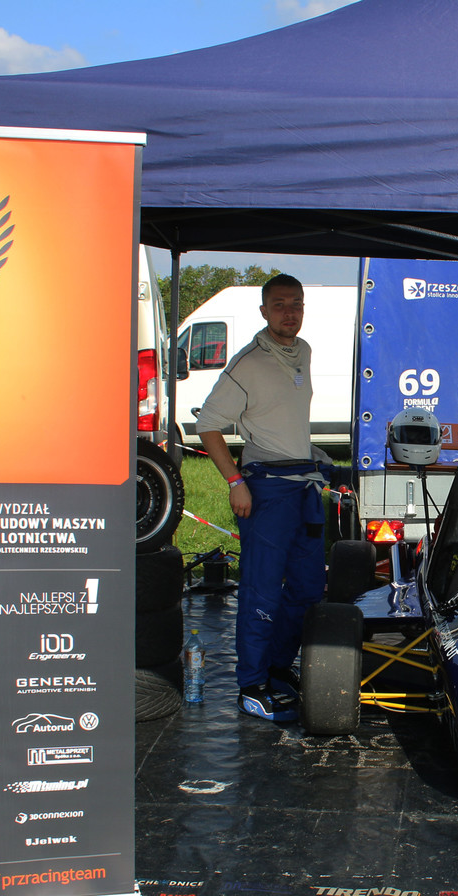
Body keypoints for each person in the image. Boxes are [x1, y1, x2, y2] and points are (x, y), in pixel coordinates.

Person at [195, 275, 333, 723]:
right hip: (267, 491)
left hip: (303, 485)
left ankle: (276, 667)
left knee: (308, 588)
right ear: (263, 311)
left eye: (296, 304)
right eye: (279, 305)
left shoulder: (303, 351)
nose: (289, 312)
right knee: (262, 590)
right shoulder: (248, 364)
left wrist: (311, 454)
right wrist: (235, 481)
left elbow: (283, 418)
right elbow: (207, 425)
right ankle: (251, 686)